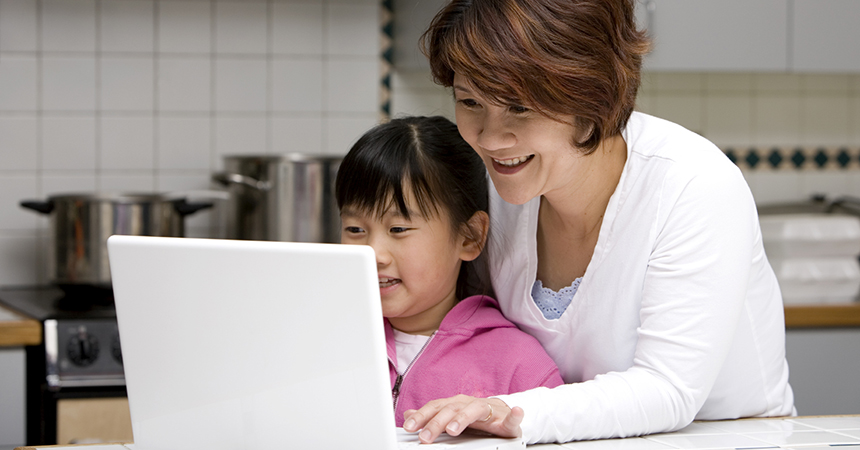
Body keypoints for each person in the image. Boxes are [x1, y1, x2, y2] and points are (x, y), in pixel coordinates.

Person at [401, 0, 796, 445]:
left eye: (519, 107)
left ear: (590, 96)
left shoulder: (693, 185)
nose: (490, 138)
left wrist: (510, 410)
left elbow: (667, 390)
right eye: (470, 102)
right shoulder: (500, 184)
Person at [334, 115, 564, 427]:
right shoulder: (329, 341)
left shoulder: (517, 364)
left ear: (469, 236)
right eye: (355, 229)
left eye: (399, 228)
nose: (373, 253)